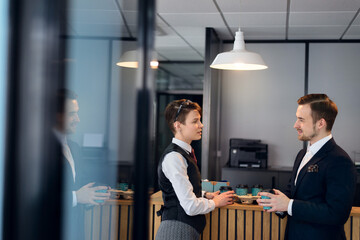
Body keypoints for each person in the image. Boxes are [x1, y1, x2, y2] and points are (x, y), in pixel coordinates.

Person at [256, 94, 357, 240]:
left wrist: (289, 205)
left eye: (301, 120)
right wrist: (276, 202)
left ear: (321, 123)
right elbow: (293, 195)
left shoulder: (340, 161)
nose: (295, 125)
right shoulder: (302, 154)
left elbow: (337, 214)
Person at [156, 99, 234, 240]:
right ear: (178, 125)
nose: (201, 125)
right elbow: (190, 206)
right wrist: (215, 202)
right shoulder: (174, 157)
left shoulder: (183, 153)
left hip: (183, 230)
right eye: (195, 121)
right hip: (176, 232)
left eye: (200, 120)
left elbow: (180, 189)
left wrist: (203, 194)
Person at [54, 89, 110, 239]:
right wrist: (76, 197)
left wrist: (94, 194)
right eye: (72, 114)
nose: (77, 119)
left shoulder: (74, 148)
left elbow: (80, 185)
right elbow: (35, 199)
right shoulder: (39, 150)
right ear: (56, 116)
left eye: (77, 113)